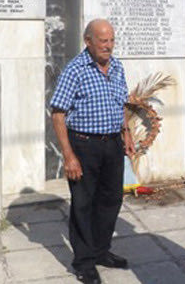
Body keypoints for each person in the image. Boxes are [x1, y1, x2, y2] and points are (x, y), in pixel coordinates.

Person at [50, 19, 135, 284]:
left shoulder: (117, 66)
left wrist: (126, 132)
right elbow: (58, 114)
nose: (108, 46)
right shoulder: (75, 70)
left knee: (111, 200)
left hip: (112, 144)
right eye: (103, 41)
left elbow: (121, 102)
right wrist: (69, 155)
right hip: (84, 145)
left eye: (111, 40)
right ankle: (84, 262)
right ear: (88, 41)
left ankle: (100, 251)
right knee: (84, 204)